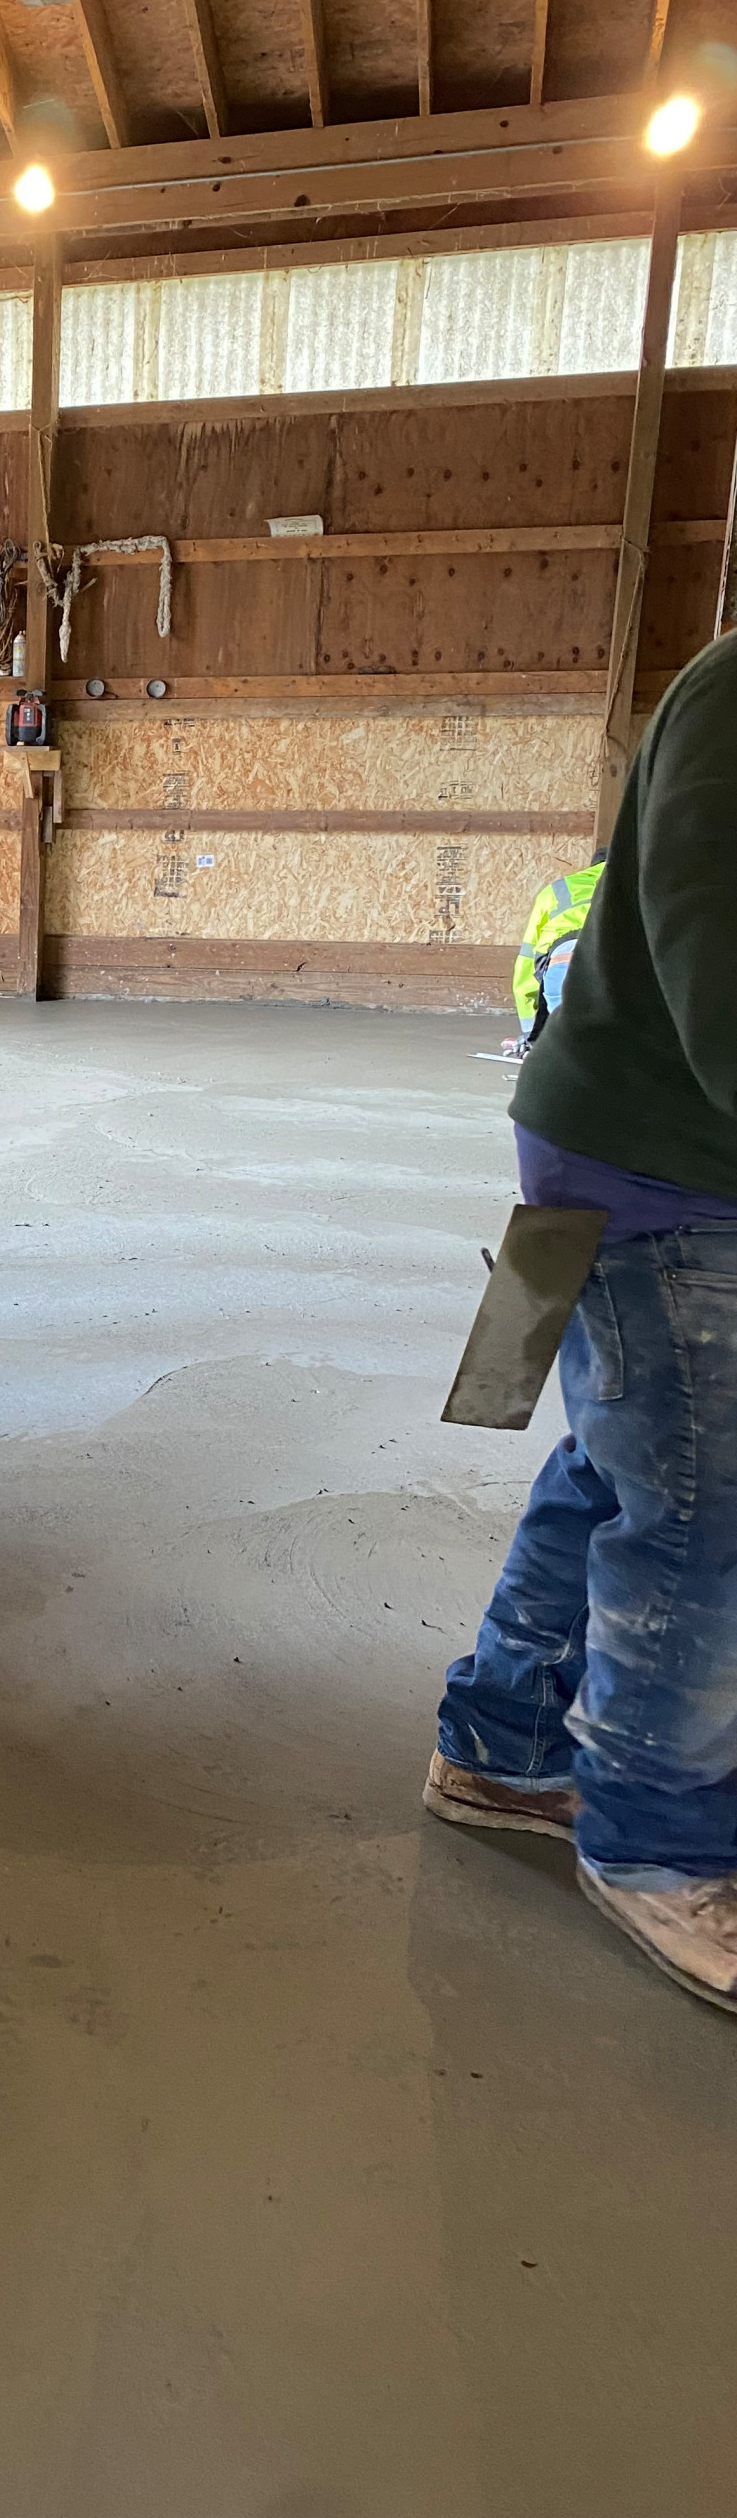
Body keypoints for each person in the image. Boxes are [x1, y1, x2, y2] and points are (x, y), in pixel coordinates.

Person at [424, 630, 737, 2013]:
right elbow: (719, 971)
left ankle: (505, 1742)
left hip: (639, 1157)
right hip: (658, 1167)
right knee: (703, 1511)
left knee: (625, 1462)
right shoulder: (735, 696)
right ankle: (656, 1842)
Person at [505, 857, 603, 1056]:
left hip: (561, 967)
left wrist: (531, 1036)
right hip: (611, 966)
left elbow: (526, 963)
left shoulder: (557, 891)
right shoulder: (638, 887)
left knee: (569, 1050)